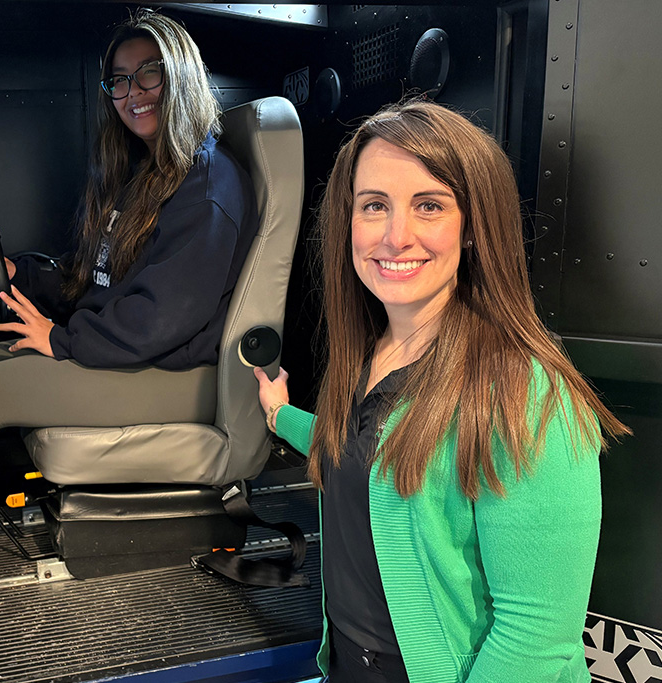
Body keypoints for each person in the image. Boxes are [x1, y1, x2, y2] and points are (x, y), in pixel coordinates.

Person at [253, 100, 629, 682]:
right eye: (374, 206)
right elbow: (353, 447)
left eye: (429, 206)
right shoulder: (369, 355)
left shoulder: (528, 395)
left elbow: (534, 641)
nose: (395, 236)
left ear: (474, 227)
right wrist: (280, 415)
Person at [0, 9, 257, 496]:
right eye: (120, 81)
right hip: (135, 357)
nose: (133, 94)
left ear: (181, 75)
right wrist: (21, 275)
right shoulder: (145, 175)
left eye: (149, 73)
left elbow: (159, 318)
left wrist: (63, 341)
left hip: (177, 374)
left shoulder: (206, 186)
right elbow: (102, 281)